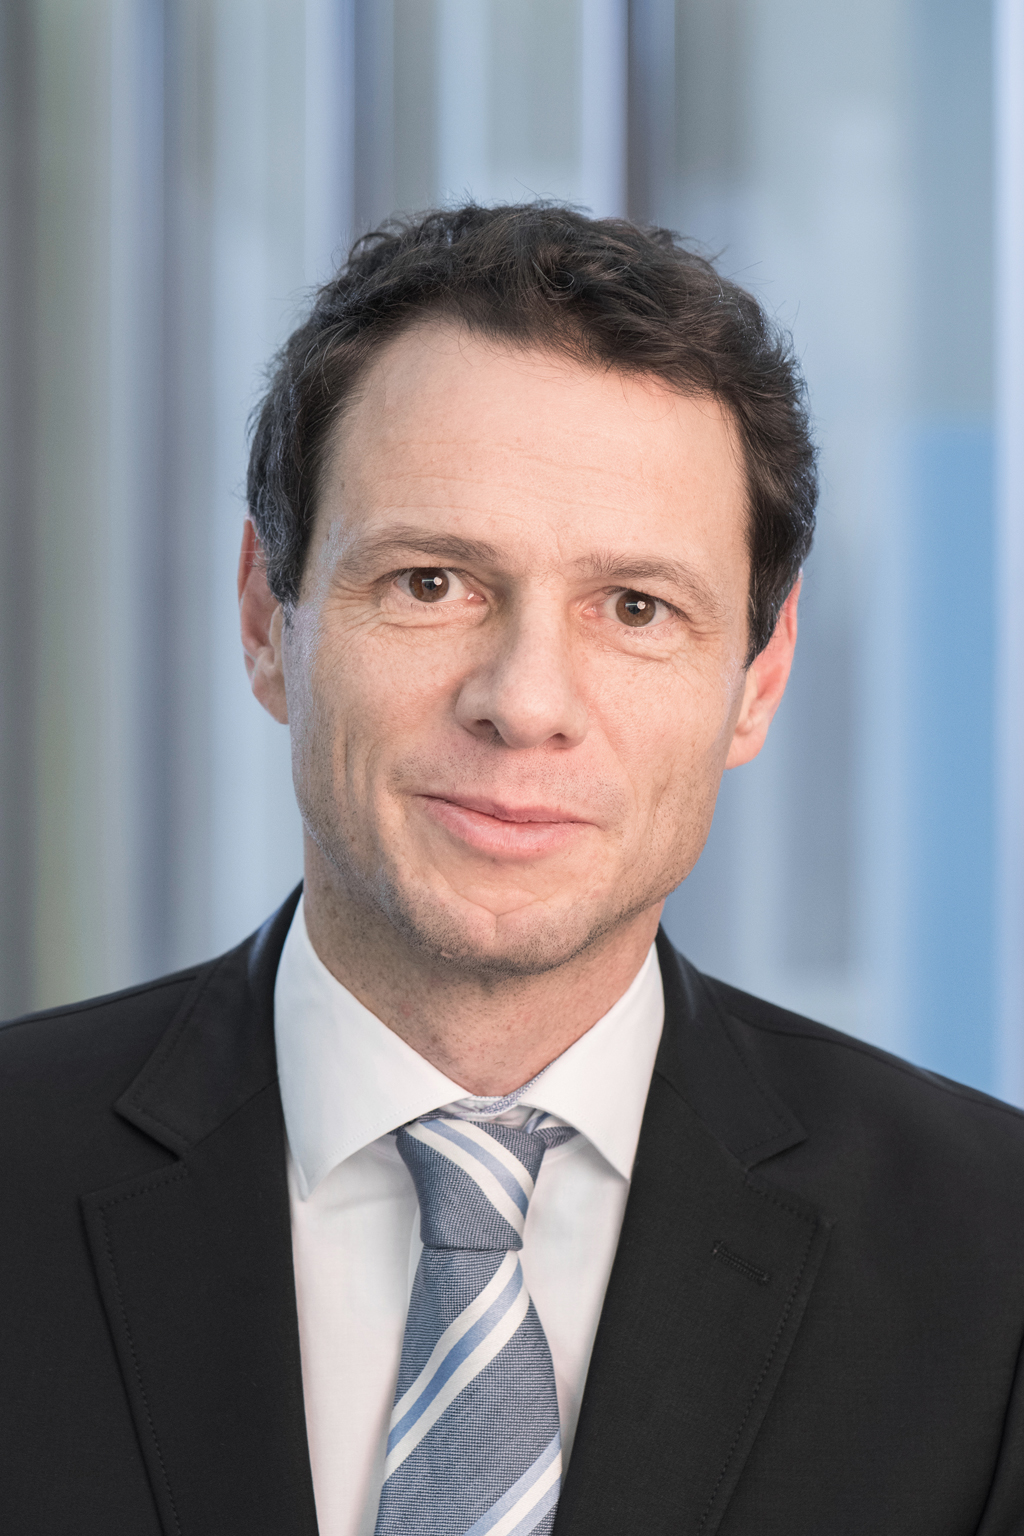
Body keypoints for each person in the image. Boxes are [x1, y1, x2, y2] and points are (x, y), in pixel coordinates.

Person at [2, 204, 1023, 1536]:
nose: (525, 701)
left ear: (760, 676)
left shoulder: (994, 1263)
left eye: (637, 607)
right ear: (265, 616)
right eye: (432, 583)